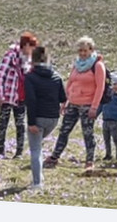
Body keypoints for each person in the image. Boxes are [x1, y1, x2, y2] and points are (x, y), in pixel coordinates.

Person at [44, 36, 107, 172]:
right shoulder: (77, 64)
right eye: (80, 51)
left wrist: (94, 107)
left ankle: (89, 160)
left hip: (88, 104)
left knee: (87, 133)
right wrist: (65, 101)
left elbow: (100, 88)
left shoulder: (98, 66)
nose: (82, 53)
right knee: (64, 131)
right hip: (73, 103)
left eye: (85, 51)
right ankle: (55, 156)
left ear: (91, 50)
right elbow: (70, 82)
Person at [24, 45, 66, 189]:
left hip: (38, 118)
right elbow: (63, 97)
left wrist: (31, 122)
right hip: (53, 119)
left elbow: (31, 101)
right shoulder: (56, 76)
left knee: (35, 150)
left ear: (32, 60)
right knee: (38, 146)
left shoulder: (30, 77)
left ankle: (37, 183)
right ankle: (39, 176)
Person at [0, 32, 38, 158]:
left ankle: (19, 152)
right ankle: (1, 151)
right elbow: (0, 75)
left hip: (21, 97)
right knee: (3, 123)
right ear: (25, 46)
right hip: (8, 95)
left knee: (20, 124)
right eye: (31, 47)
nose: (33, 50)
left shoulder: (30, 60)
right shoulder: (10, 56)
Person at [100, 73, 117, 162]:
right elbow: (101, 106)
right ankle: (108, 154)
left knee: (115, 138)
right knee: (106, 138)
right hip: (105, 120)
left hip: (115, 121)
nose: (116, 86)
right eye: (114, 84)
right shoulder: (107, 95)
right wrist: (95, 114)